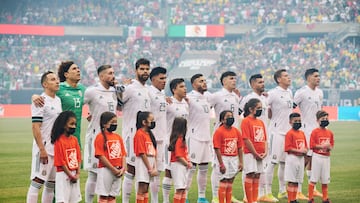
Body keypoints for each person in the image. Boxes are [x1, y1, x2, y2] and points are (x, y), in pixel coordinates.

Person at [83, 65, 118, 203]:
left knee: (106, 174)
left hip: (110, 139)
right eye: (110, 73)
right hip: (94, 137)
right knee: (93, 175)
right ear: (101, 76)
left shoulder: (115, 91)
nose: (113, 76)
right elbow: (78, 103)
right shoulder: (92, 91)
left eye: (113, 72)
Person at [26, 71, 62, 203]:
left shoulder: (57, 100)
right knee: (37, 181)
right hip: (44, 148)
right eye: (53, 80)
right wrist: (41, 149)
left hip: (55, 148)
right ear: (45, 84)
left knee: (51, 184)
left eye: (57, 79)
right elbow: (35, 127)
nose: (57, 81)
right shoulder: (40, 101)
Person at [32, 61, 86, 148]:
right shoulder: (59, 88)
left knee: (77, 161)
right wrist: (34, 96)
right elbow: (46, 95)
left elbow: (95, 98)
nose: (78, 70)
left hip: (76, 134)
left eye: (78, 68)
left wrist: (90, 112)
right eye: (74, 69)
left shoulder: (83, 89)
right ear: (66, 74)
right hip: (62, 135)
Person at [120, 58, 152, 203]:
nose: (145, 72)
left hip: (145, 136)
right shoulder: (130, 88)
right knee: (131, 169)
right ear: (136, 71)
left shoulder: (146, 89)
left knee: (144, 171)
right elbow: (118, 103)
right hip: (131, 135)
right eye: (142, 69)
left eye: (147, 69)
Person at [239, 74, 275, 202]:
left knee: (259, 171)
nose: (263, 84)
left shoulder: (265, 98)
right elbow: (239, 113)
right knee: (249, 172)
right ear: (253, 84)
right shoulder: (248, 98)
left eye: (263, 82)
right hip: (251, 143)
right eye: (260, 82)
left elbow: (270, 114)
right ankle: (247, 196)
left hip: (262, 138)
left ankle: (260, 195)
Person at [208, 71, 242, 203]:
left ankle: (229, 195)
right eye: (231, 78)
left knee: (232, 168)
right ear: (224, 81)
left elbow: (237, 112)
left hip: (233, 135)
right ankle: (216, 196)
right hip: (220, 135)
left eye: (235, 78)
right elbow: (206, 107)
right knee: (218, 168)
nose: (234, 80)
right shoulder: (217, 95)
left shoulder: (235, 96)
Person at [294, 68, 324, 199]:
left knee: (313, 160)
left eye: (319, 76)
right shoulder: (301, 92)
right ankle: (298, 190)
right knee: (304, 159)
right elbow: (291, 107)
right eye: (316, 76)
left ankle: (313, 188)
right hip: (306, 130)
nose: (318, 78)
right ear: (309, 78)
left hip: (316, 130)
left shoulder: (320, 92)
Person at [265, 69, 293, 200]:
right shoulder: (273, 93)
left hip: (287, 132)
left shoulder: (289, 92)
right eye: (286, 76)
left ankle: (282, 190)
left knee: (284, 163)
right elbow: (264, 106)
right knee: (272, 162)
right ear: (278, 79)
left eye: (288, 75)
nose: (289, 78)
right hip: (276, 132)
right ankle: (267, 191)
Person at [186, 73, 212, 203]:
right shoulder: (189, 98)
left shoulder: (207, 97)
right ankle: (183, 196)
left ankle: (201, 197)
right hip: (194, 137)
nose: (204, 83)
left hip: (206, 137)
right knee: (191, 168)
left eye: (205, 80)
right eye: (201, 81)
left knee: (204, 168)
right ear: (194, 84)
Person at [162, 78, 189, 203]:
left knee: (182, 172)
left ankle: (182, 198)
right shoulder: (168, 102)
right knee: (168, 172)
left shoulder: (185, 103)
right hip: (170, 143)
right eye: (182, 86)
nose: (185, 89)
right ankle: (166, 200)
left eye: (185, 86)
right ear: (174, 89)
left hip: (182, 141)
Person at [94, 111, 126, 203]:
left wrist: (123, 168)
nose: (115, 124)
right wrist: (113, 169)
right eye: (112, 122)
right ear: (104, 124)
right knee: (104, 195)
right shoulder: (100, 137)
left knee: (112, 195)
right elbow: (100, 156)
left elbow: (123, 154)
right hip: (106, 170)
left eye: (116, 122)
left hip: (118, 170)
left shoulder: (118, 137)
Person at [241, 98, 268, 203]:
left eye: (261, 108)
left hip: (260, 154)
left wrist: (265, 152)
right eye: (258, 108)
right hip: (250, 154)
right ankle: (249, 200)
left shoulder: (260, 122)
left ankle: (254, 199)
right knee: (250, 174)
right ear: (251, 109)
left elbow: (265, 138)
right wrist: (255, 153)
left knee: (257, 175)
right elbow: (246, 139)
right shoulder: (246, 121)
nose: (260, 110)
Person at [213, 110, 243, 203]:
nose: (231, 118)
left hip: (233, 158)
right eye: (228, 116)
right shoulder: (219, 132)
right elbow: (217, 148)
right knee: (224, 180)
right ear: (222, 120)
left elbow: (240, 147)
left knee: (230, 181)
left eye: (231, 116)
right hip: (224, 157)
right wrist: (221, 164)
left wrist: (241, 162)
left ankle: (228, 200)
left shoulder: (236, 131)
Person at [52, 111, 82, 203]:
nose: (74, 126)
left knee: (74, 200)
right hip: (63, 175)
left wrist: (77, 174)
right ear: (64, 125)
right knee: (62, 200)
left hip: (74, 174)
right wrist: (70, 175)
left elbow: (78, 158)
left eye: (75, 124)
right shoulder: (59, 141)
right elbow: (61, 162)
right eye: (71, 124)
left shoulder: (74, 139)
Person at [148, 67, 167, 203]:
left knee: (158, 171)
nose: (164, 81)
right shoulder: (148, 92)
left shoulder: (162, 93)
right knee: (149, 172)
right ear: (153, 79)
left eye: (165, 78)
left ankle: (155, 200)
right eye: (161, 78)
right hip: (151, 137)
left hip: (162, 137)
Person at [308, 110, 334, 203]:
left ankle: (325, 198)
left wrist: (329, 148)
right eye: (323, 119)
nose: (325, 120)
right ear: (317, 120)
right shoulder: (315, 132)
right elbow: (312, 145)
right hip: (317, 157)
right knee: (314, 178)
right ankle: (310, 198)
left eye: (326, 118)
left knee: (325, 179)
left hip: (326, 158)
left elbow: (331, 145)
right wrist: (322, 146)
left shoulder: (330, 133)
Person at [134, 111, 158, 203]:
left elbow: (154, 152)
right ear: (144, 122)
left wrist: (154, 167)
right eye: (151, 120)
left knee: (146, 187)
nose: (153, 122)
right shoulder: (139, 134)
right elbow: (142, 152)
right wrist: (149, 168)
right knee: (142, 186)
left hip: (150, 163)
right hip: (143, 163)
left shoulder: (149, 134)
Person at [284, 113, 308, 203]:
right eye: (295, 121)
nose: (298, 123)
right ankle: (290, 199)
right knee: (291, 180)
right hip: (292, 158)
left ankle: (294, 198)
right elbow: (287, 148)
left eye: (299, 121)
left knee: (297, 180)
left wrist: (305, 150)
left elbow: (305, 146)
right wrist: (300, 151)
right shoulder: (289, 133)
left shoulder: (302, 133)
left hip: (301, 159)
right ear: (290, 122)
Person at [168, 117, 192, 203]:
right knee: (179, 188)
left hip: (181, 165)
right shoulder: (179, 140)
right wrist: (187, 164)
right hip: (178, 165)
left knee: (183, 188)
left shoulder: (179, 138)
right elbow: (178, 156)